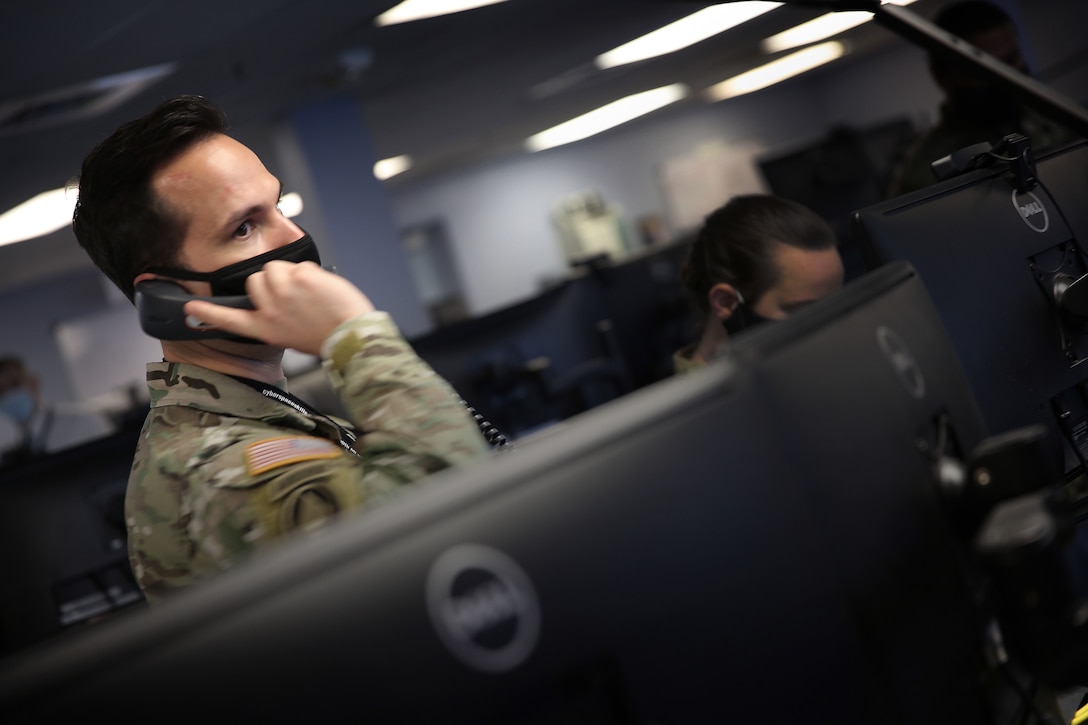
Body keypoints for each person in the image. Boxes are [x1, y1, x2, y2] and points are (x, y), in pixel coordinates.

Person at [71, 95, 490, 604]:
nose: (295, 238)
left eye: (280, 207)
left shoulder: (265, 414)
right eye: (245, 227)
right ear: (168, 298)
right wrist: (354, 338)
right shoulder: (218, 470)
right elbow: (457, 539)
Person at [886, 0, 1075, 197]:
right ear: (941, 76)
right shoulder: (925, 176)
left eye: (1009, 62)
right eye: (981, 71)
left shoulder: (1061, 118)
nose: (1003, 80)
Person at [674, 194, 844, 373]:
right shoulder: (708, 400)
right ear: (726, 302)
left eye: (837, 303)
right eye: (804, 311)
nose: (832, 331)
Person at [0, 356, 52, 466]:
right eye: (1, 391)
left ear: (33, 381)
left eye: (15, 384)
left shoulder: (79, 423)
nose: (9, 394)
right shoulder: (16, 450)